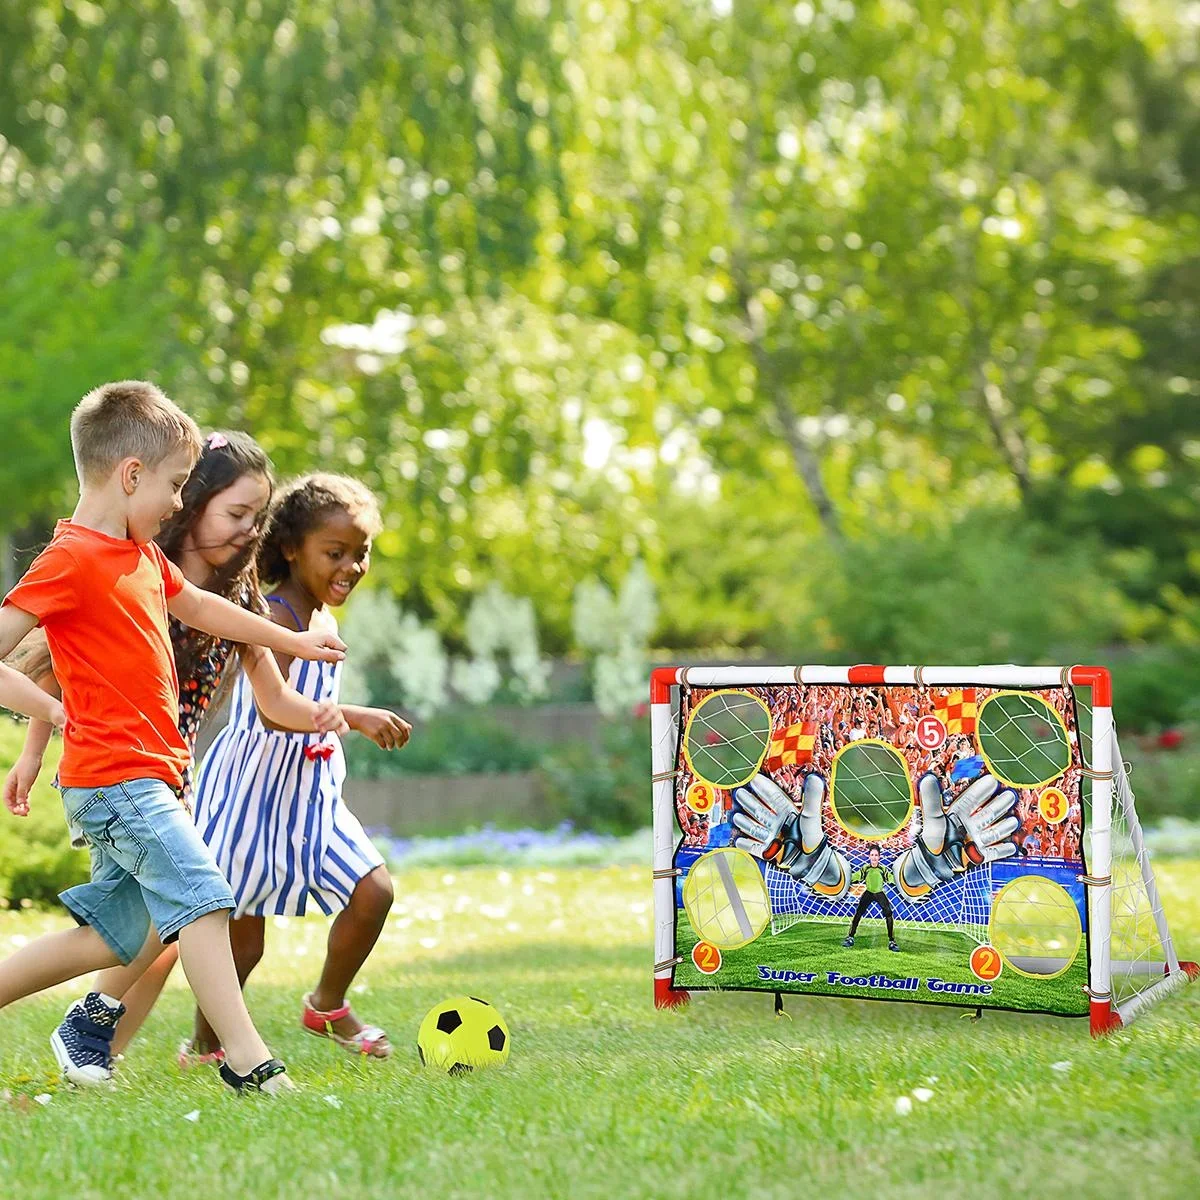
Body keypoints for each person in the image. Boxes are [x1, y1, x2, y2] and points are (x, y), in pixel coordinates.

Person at [0, 381, 346, 1095]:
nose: (180, 502)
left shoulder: (141, 557)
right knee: (203, 898)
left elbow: (204, 610)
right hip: (115, 781)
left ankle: (85, 1026)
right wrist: (44, 714)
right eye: (175, 484)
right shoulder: (70, 560)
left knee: (113, 939)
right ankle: (252, 1065)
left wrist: (292, 642)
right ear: (131, 475)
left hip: (146, 778)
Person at [188, 473, 410, 1060]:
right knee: (243, 942)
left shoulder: (322, 621)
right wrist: (355, 715)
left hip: (311, 796)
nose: (351, 567)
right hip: (251, 793)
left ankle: (327, 1004)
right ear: (291, 548)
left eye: (360, 554)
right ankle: (207, 1044)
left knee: (373, 891)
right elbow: (272, 713)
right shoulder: (276, 617)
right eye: (334, 553)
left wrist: (342, 721)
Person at [842, 846, 900, 952]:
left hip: (879, 893)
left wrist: (900, 881)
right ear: (869, 856)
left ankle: (892, 941)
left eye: (876, 855)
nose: (874, 857)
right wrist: (846, 877)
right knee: (858, 912)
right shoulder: (866, 868)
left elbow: (891, 878)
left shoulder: (883, 869)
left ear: (879, 857)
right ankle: (850, 937)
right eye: (872, 855)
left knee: (888, 913)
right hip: (868, 893)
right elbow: (857, 876)